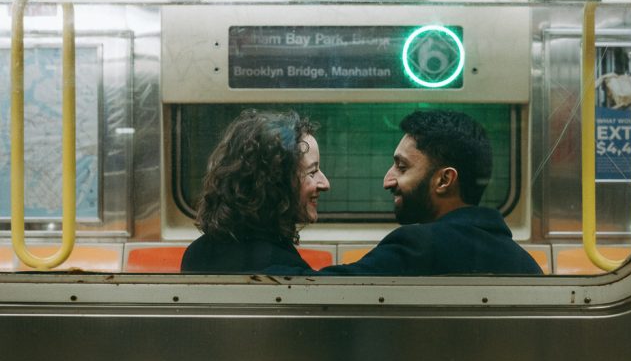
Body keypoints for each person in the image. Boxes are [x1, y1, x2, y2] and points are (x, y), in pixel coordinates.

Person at [268, 109, 541, 277]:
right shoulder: (524, 263)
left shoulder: (419, 247)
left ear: (444, 180)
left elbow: (320, 291)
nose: (388, 181)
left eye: (401, 166)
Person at [181, 108, 330, 273]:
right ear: (277, 183)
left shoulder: (196, 252)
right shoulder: (277, 265)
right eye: (312, 172)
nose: (325, 183)